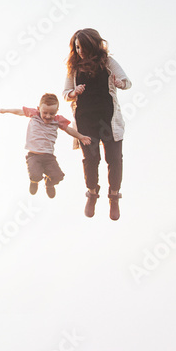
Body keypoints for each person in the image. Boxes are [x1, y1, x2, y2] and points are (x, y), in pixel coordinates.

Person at [62, 28, 130, 220]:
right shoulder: (73, 68)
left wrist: (120, 83)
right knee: (91, 159)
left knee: (114, 159)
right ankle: (92, 193)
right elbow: (65, 93)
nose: (80, 51)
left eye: (83, 47)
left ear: (93, 46)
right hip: (86, 121)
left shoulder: (107, 62)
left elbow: (127, 81)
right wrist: (74, 92)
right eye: (77, 47)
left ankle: (114, 196)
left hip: (108, 120)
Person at [0, 93, 92, 198]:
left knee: (58, 176)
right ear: (39, 109)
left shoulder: (57, 120)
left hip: (49, 157)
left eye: (52, 113)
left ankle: (49, 184)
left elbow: (69, 129)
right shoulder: (34, 113)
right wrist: (6, 110)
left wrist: (81, 137)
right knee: (35, 175)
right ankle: (34, 181)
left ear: (57, 111)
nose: (48, 116)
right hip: (34, 155)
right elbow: (19, 112)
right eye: (45, 113)